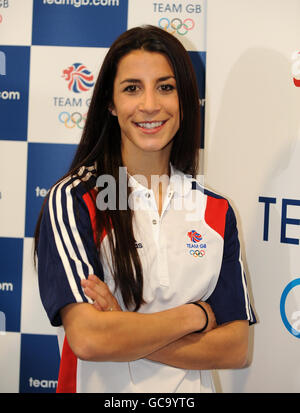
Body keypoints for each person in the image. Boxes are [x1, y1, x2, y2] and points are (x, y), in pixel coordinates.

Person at [35, 25, 256, 393]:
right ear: (110, 102)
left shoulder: (216, 210)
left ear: (184, 99)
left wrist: (123, 326)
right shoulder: (76, 198)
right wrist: (195, 315)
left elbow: (235, 349)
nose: (150, 104)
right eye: (132, 88)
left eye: (165, 87)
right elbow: (90, 339)